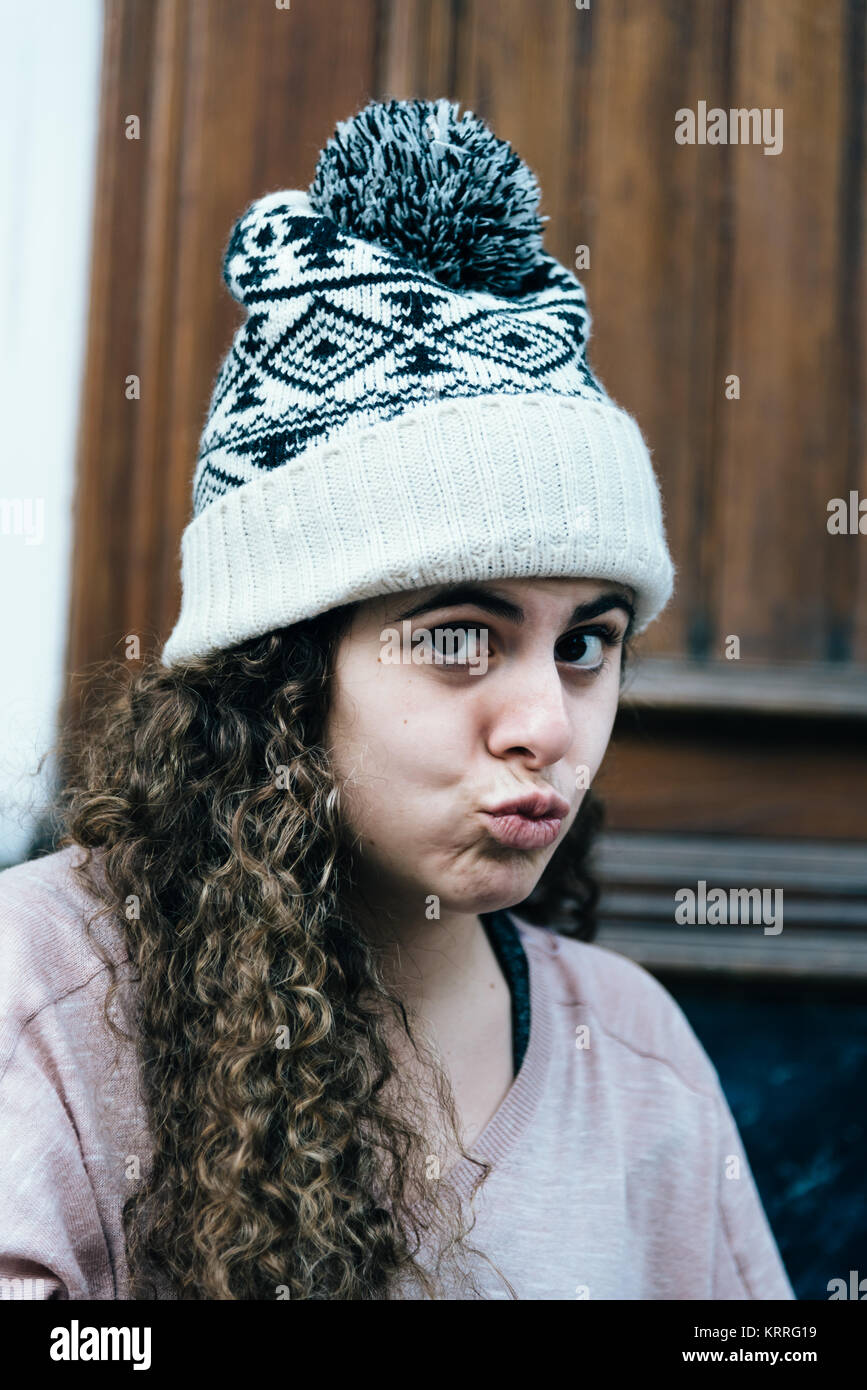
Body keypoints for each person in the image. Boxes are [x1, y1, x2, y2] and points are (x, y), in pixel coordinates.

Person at [0, 97, 794, 1301]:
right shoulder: (44, 996)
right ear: (283, 666)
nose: (547, 722)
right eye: (462, 638)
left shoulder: (633, 1059)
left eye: (588, 643)